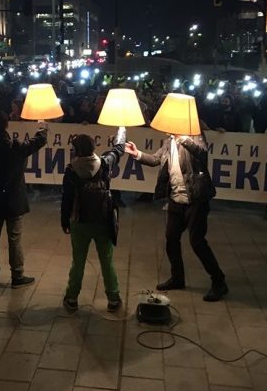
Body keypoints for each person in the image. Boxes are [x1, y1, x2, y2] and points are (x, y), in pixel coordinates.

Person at [124, 131, 228, 302]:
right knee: (171, 239)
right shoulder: (169, 141)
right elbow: (156, 159)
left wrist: (184, 139)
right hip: (176, 199)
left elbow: (202, 154)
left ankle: (219, 281)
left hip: (196, 200)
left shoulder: (194, 136)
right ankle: (177, 277)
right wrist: (137, 154)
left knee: (197, 242)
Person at [0, 111, 47, 289]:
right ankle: (17, 275)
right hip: (13, 200)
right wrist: (42, 126)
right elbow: (38, 142)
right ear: (7, 125)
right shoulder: (15, 147)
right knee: (14, 238)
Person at [60, 129, 125, 313]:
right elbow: (119, 149)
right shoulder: (105, 163)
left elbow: (67, 199)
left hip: (79, 222)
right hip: (103, 221)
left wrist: (64, 221)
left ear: (76, 151)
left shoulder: (71, 171)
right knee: (107, 260)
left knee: (78, 261)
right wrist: (122, 128)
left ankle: (72, 298)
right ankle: (113, 298)